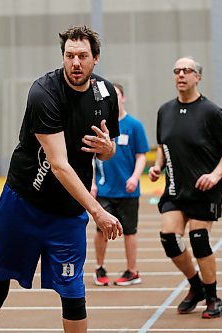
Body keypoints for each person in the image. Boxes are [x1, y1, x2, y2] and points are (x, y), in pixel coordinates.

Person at [0, 25, 123, 333]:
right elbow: (59, 164)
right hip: (23, 202)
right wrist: (97, 211)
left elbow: (106, 153)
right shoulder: (44, 92)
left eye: (83, 56)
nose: (76, 63)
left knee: (72, 288)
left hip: (67, 212)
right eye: (70, 56)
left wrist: (107, 149)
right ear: (63, 57)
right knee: (0, 270)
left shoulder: (106, 93)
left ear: (96, 59)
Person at [149, 57, 222, 319]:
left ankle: (213, 298)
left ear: (198, 77)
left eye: (187, 70)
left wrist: (216, 174)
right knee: (169, 239)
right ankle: (196, 286)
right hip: (175, 189)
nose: (181, 75)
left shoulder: (212, 112)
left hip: (203, 189)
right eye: (177, 70)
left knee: (199, 240)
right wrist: (157, 166)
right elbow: (163, 146)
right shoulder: (164, 111)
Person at [91, 83, 149, 286]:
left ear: (123, 98)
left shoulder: (134, 125)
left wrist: (135, 177)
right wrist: (92, 182)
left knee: (130, 231)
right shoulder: (99, 125)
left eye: (116, 95)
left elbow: (141, 155)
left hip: (128, 191)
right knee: (101, 230)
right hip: (104, 189)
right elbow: (90, 157)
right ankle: (99, 268)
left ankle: (132, 271)